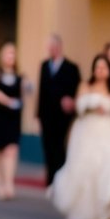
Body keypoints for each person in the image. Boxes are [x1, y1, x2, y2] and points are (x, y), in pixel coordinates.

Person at [50, 53, 110, 219]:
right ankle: (89, 215)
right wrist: (91, 106)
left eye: (104, 67)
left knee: (107, 170)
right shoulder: (85, 85)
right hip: (86, 132)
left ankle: (107, 213)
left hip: (108, 132)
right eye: (97, 67)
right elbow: (78, 106)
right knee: (86, 171)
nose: (100, 71)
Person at [0, 41, 30, 201]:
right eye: (7, 53)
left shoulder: (20, 77)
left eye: (13, 53)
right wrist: (7, 101)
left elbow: (24, 96)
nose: (10, 56)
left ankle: (8, 183)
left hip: (13, 119)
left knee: (11, 150)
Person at [36, 34, 81, 185]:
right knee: (47, 145)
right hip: (46, 114)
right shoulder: (44, 65)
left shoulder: (71, 67)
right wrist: (38, 114)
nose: (51, 50)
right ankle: (50, 180)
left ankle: (60, 180)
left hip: (62, 115)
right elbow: (41, 92)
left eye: (53, 47)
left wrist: (72, 101)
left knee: (59, 146)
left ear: (59, 47)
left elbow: (78, 89)